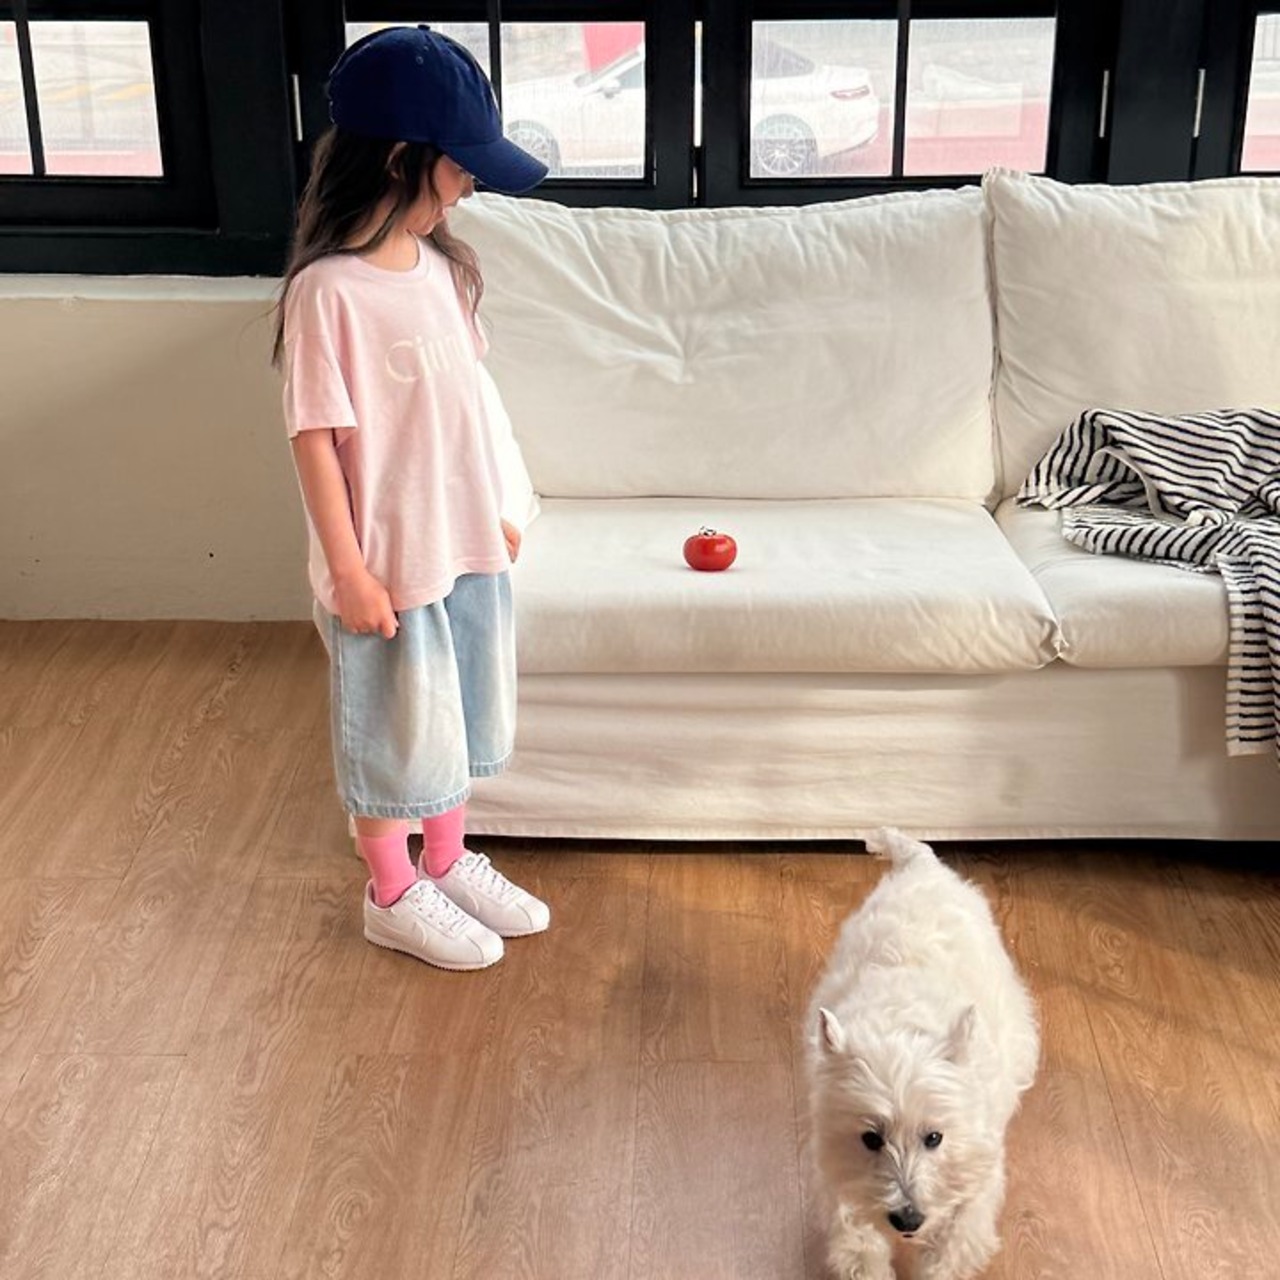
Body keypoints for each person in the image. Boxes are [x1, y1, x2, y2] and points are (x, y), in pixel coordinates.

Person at [274, 25, 550, 970]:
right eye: (460, 168)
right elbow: (315, 439)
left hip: (461, 546)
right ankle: (391, 893)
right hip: (386, 567)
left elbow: (466, 414)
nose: (468, 187)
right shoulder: (329, 294)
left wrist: (493, 511)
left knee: (456, 717)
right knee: (395, 735)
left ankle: (446, 859)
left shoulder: (446, 272)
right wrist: (349, 572)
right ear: (401, 161)